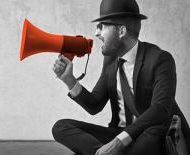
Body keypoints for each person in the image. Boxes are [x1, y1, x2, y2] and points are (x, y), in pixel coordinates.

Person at [51, 0, 190, 154]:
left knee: (156, 131)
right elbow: (95, 105)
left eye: (102, 26)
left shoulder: (160, 59)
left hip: (148, 134)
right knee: (60, 127)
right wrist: (69, 80)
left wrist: (118, 143)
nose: (97, 33)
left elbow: (160, 109)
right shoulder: (111, 60)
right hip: (118, 133)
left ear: (121, 31)